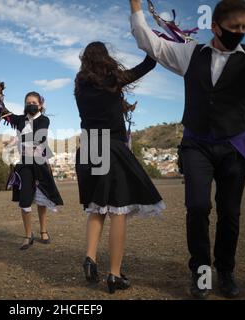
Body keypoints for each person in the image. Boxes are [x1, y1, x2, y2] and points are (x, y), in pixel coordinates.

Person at [130, 0, 245, 298]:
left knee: (230, 213)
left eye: (244, 27)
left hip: (234, 148)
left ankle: (225, 271)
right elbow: (151, 43)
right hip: (196, 145)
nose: (240, 32)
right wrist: (136, 6)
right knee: (197, 208)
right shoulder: (190, 53)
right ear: (215, 27)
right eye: (234, 27)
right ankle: (200, 272)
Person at [74, 41, 165, 294]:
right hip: (111, 146)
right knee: (118, 211)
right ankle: (114, 274)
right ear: (105, 59)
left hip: (89, 147)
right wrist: (152, 41)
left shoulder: (79, 86)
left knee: (97, 206)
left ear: (85, 61)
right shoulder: (113, 80)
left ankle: (90, 258)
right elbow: (148, 64)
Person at [0, 82, 63, 250]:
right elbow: (3, 113)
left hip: (40, 164)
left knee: (41, 199)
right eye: (28, 103)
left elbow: (38, 137)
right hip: (25, 164)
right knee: (25, 201)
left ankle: (43, 230)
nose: (31, 105)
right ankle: (27, 235)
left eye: (34, 103)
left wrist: (17, 139)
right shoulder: (19, 119)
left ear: (40, 105)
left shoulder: (44, 120)